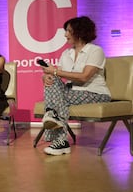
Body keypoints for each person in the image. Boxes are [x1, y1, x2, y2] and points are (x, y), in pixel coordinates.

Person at [40, 16, 111, 156]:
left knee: (58, 98)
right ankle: (54, 122)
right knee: (53, 82)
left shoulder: (95, 51)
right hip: (72, 93)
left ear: (80, 32)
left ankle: (53, 120)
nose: (65, 35)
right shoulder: (66, 53)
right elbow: (58, 74)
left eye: (68, 31)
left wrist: (55, 71)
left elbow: (84, 77)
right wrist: (46, 76)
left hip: (95, 93)